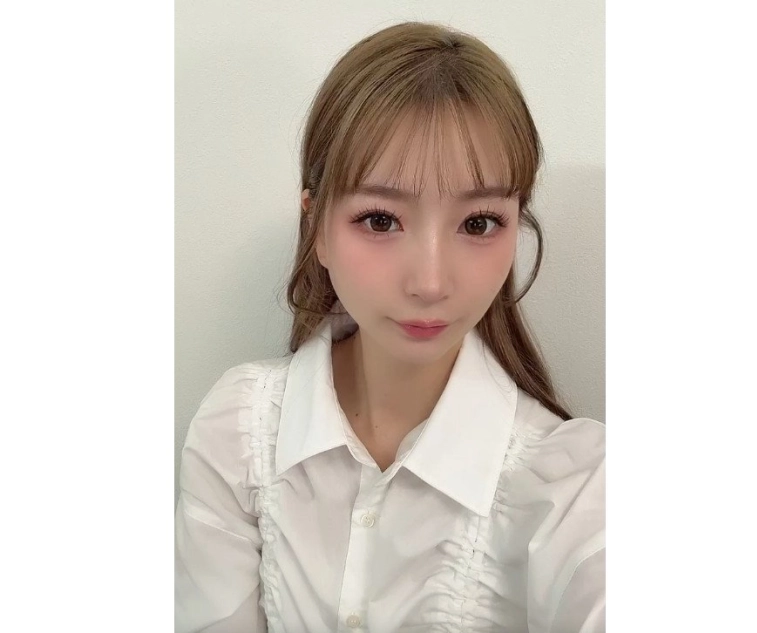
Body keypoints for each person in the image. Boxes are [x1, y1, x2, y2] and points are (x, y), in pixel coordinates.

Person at [175, 21, 605, 633]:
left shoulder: (572, 481)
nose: (430, 282)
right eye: (380, 220)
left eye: (479, 223)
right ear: (317, 227)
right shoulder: (238, 431)